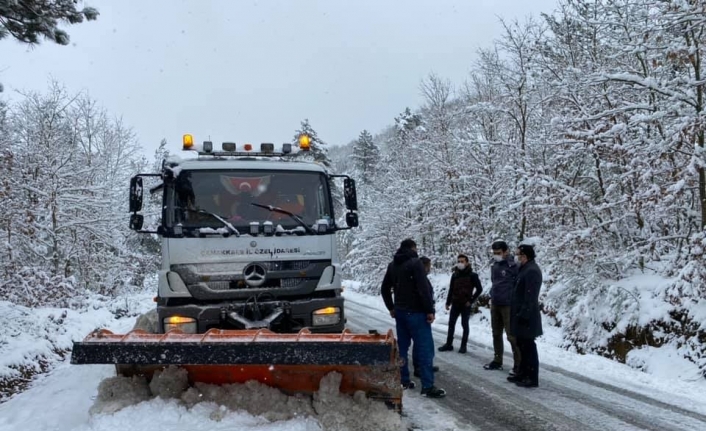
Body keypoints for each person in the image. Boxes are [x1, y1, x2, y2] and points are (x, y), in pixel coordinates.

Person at [381, 239, 446, 398]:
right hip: (417, 313)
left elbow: (384, 289)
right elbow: (423, 288)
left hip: (401, 312)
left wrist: (391, 307)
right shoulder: (415, 263)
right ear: (413, 248)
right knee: (425, 349)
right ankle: (427, 386)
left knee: (402, 347)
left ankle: (403, 380)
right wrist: (429, 310)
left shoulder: (393, 265)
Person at [507, 244, 543, 388]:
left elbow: (530, 296)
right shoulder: (525, 269)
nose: (517, 258)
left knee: (528, 347)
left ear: (525, 256)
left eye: (519, 255)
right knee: (521, 345)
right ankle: (522, 373)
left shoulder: (532, 271)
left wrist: (524, 314)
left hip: (527, 317)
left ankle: (532, 377)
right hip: (520, 314)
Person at [483, 240, 521, 376]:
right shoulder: (495, 266)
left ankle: (518, 365)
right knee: (496, 333)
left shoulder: (514, 265)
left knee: (511, 336)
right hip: (496, 303)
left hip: (508, 305)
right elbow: (495, 283)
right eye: (494, 253)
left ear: (506, 252)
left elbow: (519, 284)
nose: (496, 255)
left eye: (498, 253)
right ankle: (497, 360)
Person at [437, 254, 482, 354]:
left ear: (467, 262)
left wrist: (471, 301)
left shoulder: (472, 275)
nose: (460, 263)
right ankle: (449, 344)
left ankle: (463, 346)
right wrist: (448, 302)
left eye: (462, 261)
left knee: (464, 325)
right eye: (459, 261)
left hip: (465, 304)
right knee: (451, 324)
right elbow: (451, 289)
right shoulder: (455, 275)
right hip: (455, 303)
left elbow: (479, 289)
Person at [413, 256, 440, 378]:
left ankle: (421, 365)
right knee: (423, 343)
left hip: (420, 312)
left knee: (421, 342)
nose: (430, 268)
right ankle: (421, 367)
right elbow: (425, 296)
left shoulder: (421, 279)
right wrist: (429, 310)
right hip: (421, 314)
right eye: (429, 266)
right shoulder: (421, 279)